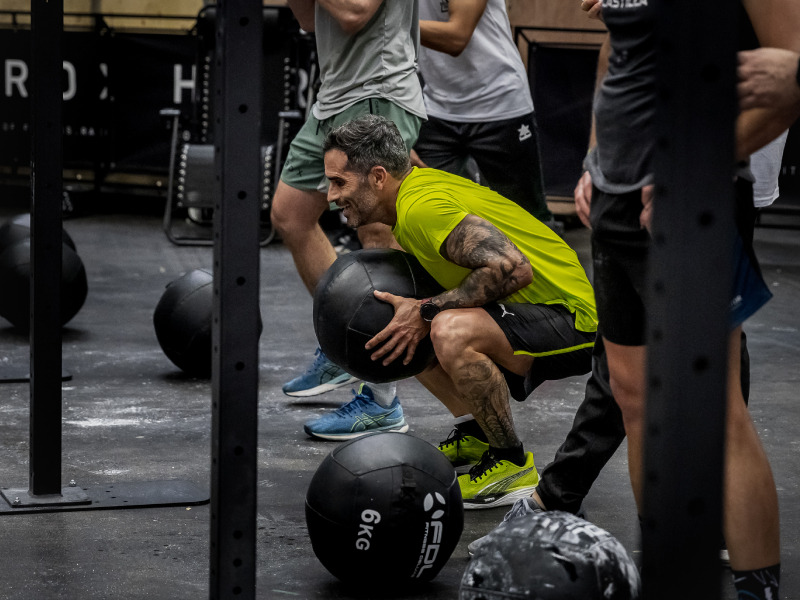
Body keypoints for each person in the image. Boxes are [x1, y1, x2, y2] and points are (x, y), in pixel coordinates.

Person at [321, 114, 598, 508]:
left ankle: (511, 464)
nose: (331, 195)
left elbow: (512, 268)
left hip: (572, 320)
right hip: (529, 309)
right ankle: (477, 432)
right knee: (400, 319)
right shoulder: (412, 195)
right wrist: (419, 311)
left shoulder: (420, 209)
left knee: (443, 325)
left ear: (379, 177)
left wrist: (425, 310)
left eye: (339, 182)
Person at [276, 0, 427, 439]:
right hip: (335, 97)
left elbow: (356, 10)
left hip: (379, 94)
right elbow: (308, 18)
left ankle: (382, 401)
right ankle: (343, 337)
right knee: (291, 214)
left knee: (376, 235)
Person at [413, 0, 558, 229]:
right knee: (430, 217)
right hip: (437, 108)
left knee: (526, 223)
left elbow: (457, 37)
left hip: (499, 105)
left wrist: (387, 23)